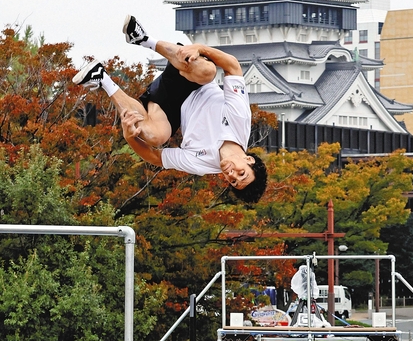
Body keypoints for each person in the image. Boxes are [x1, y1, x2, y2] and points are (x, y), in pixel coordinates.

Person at [72, 16, 267, 203]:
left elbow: (156, 157)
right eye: (241, 173)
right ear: (248, 159)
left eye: (233, 181)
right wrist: (199, 48)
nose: (232, 174)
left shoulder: (203, 164)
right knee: (208, 72)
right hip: (191, 76)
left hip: (170, 105)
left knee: (154, 136)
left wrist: (130, 137)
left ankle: (102, 78)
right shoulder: (240, 120)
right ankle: (144, 39)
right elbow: (233, 67)